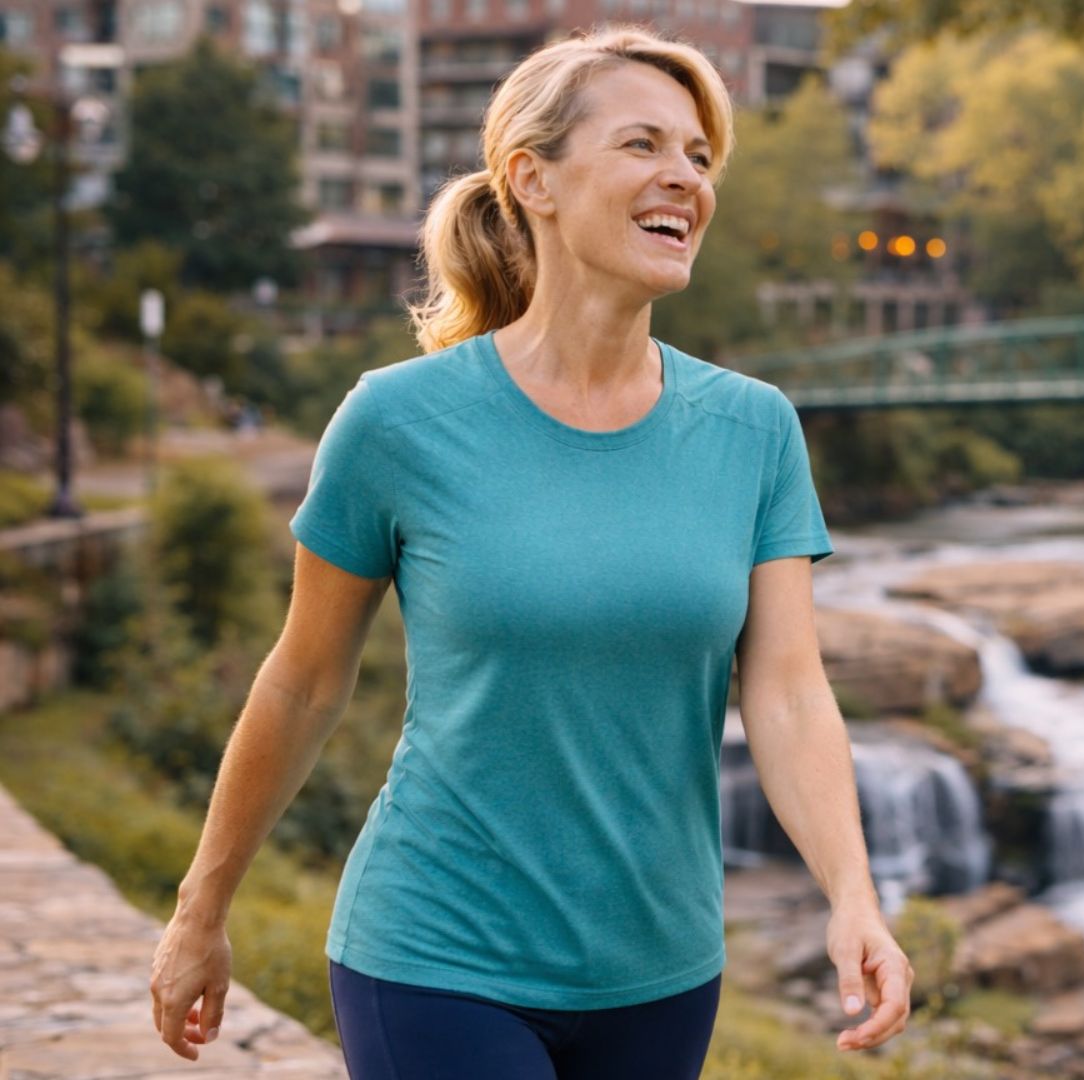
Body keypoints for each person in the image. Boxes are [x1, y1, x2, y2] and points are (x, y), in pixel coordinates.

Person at [147, 24, 914, 1076]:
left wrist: (853, 899)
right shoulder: (396, 423)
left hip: (663, 971)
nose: (683, 178)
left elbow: (784, 693)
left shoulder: (755, 430)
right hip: (436, 955)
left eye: (698, 156)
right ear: (532, 180)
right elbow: (305, 682)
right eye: (644, 144)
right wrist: (201, 911)